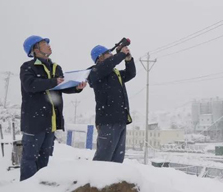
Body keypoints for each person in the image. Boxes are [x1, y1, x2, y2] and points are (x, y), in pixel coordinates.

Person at [19, 35, 86, 181]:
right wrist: (53, 81)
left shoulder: (56, 67)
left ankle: (41, 186)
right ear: (35, 49)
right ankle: (26, 188)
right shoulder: (27, 67)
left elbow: (61, 87)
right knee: (30, 159)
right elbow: (30, 85)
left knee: (45, 158)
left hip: (51, 122)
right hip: (34, 121)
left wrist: (76, 87)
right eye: (44, 43)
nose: (49, 45)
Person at [88, 43, 136, 163]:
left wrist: (128, 59)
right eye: (108, 53)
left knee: (117, 160)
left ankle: (112, 181)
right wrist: (120, 54)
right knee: (103, 158)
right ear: (100, 57)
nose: (111, 55)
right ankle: (96, 180)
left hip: (120, 119)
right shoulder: (95, 72)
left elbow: (131, 73)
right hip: (107, 121)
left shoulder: (114, 73)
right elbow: (108, 65)